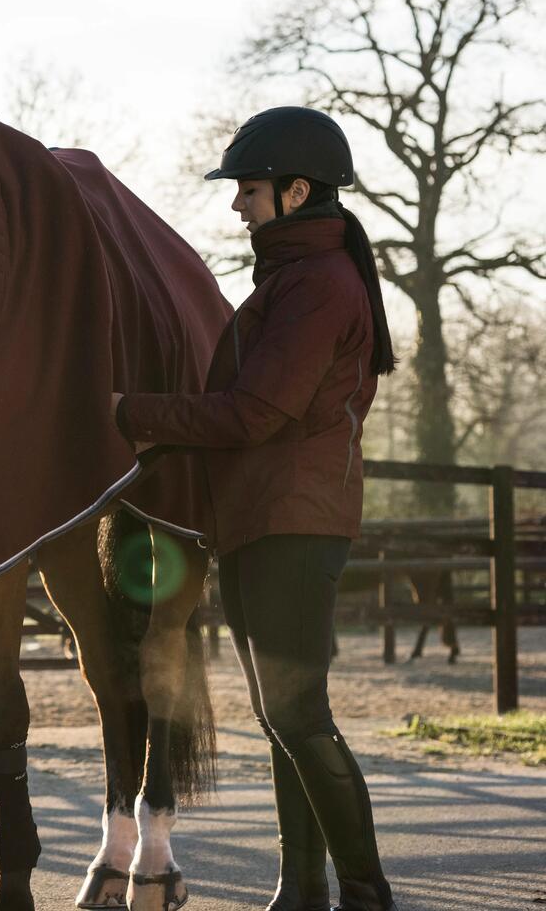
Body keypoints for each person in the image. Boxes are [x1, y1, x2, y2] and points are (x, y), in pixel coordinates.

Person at [110, 106, 399, 911]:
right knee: (283, 721)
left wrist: (131, 413)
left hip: (292, 524)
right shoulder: (296, 281)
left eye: (249, 189)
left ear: (295, 190)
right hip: (261, 521)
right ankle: (301, 890)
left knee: (301, 717)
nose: (238, 204)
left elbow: (253, 413)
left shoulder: (319, 285)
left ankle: (367, 896)